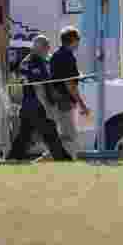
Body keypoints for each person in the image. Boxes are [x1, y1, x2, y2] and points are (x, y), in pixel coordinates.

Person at [7, 35, 71, 162]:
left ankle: (12, 157)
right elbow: (39, 86)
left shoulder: (26, 61)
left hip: (27, 106)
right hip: (37, 105)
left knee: (24, 135)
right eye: (46, 48)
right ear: (40, 47)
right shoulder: (34, 62)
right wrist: (48, 105)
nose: (47, 51)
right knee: (50, 134)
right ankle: (63, 159)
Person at [49, 26, 90, 159]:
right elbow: (70, 85)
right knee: (69, 135)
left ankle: (62, 158)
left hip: (57, 100)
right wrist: (82, 105)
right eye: (78, 40)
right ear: (72, 40)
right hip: (65, 101)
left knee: (64, 133)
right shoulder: (68, 57)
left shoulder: (56, 55)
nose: (78, 43)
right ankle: (67, 160)